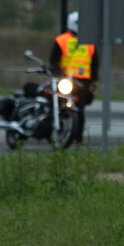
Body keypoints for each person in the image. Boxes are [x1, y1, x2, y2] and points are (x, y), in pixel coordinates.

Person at [49, 11, 99, 145]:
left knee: (79, 110)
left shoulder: (89, 41)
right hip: (64, 79)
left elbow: (94, 62)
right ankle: (55, 132)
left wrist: (94, 79)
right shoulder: (62, 40)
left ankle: (78, 138)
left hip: (82, 81)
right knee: (57, 105)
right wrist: (58, 73)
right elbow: (54, 60)